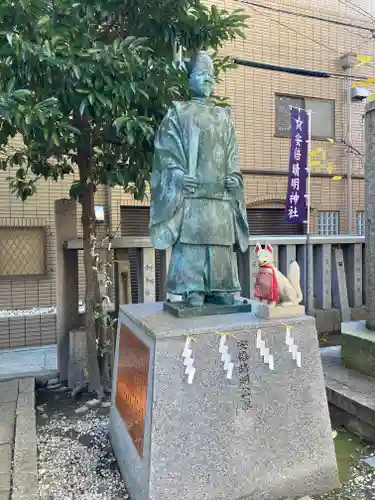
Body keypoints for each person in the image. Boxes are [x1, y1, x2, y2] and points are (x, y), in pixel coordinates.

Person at [149, 51, 249, 308]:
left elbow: (232, 154)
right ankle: (192, 288)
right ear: (190, 79)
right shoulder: (177, 113)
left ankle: (220, 287)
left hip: (220, 197)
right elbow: (165, 154)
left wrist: (234, 178)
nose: (207, 80)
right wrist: (179, 176)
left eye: (211, 76)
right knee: (191, 244)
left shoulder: (224, 117)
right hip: (191, 197)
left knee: (220, 246)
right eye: (201, 75)